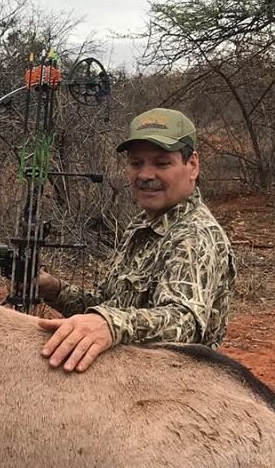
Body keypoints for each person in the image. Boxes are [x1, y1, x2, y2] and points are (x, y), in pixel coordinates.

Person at [37, 107, 236, 373]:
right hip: (124, 375)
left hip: (171, 388)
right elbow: (108, 306)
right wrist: (52, 289)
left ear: (192, 165)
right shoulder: (143, 224)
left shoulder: (196, 234)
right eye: (136, 163)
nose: (145, 175)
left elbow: (182, 323)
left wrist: (110, 324)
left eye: (161, 163)